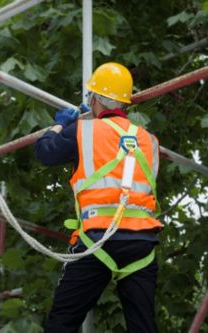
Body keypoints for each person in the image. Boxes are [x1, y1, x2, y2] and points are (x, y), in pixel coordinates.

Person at [35, 62, 163, 333]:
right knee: (143, 327)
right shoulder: (149, 140)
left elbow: (44, 152)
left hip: (97, 240)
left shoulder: (82, 132)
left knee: (62, 322)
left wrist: (60, 125)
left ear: (94, 99)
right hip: (142, 242)